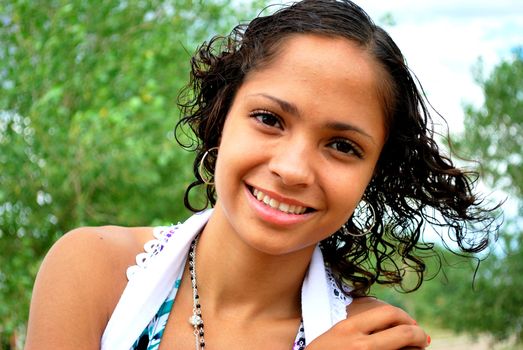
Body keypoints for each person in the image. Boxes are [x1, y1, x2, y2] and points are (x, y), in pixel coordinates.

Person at [25, 0, 498, 349]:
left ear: (372, 175)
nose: (292, 169)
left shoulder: (371, 340)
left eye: (342, 146)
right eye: (270, 119)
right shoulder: (93, 271)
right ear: (221, 117)